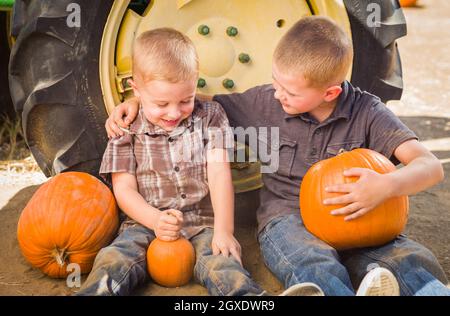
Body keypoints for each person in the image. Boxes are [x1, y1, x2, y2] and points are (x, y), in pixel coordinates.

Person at [105, 17, 450, 296]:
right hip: (287, 217)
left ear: (331, 91)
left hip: (359, 215)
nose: (278, 94)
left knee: (406, 257)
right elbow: (195, 102)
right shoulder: (265, 101)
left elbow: (430, 166)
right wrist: (140, 102)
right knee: (311, 260)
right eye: (275, 82)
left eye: (290, 91)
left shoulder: (368, 111)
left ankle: (412, 287)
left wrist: (388, 185)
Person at [76, 27, 324, 296]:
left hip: (203, 223)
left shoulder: (211, 116)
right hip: (143, 223)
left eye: (186, 100)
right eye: (161, 103)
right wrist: (155, 219)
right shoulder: (126, 127)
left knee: (225, 266)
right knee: (113, 259)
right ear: (136, 89)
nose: (174, 113)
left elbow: (219, 175)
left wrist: (224, 230)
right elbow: (124, 190)